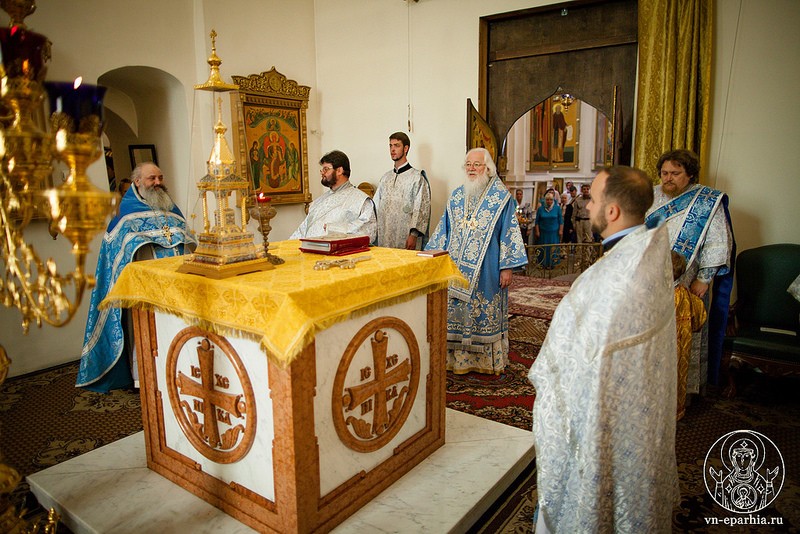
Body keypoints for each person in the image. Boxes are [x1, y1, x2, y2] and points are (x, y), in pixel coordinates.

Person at [528, 166, 679, 533]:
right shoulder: (645, 252)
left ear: (612, 211)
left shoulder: (612, 279)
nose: (589, 206)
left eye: (594, 200)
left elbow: (570, 359)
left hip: (601, 415)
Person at [77, 163, 196, 392]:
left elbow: (188, 242)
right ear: (138, 182)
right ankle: (145, 378)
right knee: (146, 333)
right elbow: (116, 257)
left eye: (160, 177)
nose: (158, 182)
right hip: (145, 290)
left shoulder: (172, 210)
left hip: (177, 286)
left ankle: (180, 369)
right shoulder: (125, 215)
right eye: (152, 178)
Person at [426, 148, 527, 375]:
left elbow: (509, 232)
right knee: (455, 313)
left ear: (487, 168)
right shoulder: (457, 196)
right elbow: (444, 229)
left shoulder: (501, 198)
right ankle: (455, 360)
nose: (471, 169)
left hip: (487, 268)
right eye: (468, 164)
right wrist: (433, 256)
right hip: (455, 269)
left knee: (482, 312)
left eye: (476, 164)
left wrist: (507, 267)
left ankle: (484, 362)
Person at [645, 149, 734, 390]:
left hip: (686, 280)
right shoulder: (651, 195)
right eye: (664, 173)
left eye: (675, 173)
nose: (668, 178)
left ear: (690, 174)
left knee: (681, 336)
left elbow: (717, 242)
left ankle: (682, 390)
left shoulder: (707, 200)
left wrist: (704, 279)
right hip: (648, 278)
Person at [289, 150, 377, 242]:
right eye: (322, 170)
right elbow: (303, 228)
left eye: (326, 169)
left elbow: (368, 231)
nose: (322, 173)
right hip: (309, 249)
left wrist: (333, 228)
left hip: (337, 250)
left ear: (339, 171)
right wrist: (288, 245)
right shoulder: (319, 200)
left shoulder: (361, 200)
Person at [373, 132, 431, 249]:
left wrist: (413, 235)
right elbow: (375, 206)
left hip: (406, 237)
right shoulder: (385, 178)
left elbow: (421, 208)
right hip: (385, 235)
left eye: (397, 145)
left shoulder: (417, 177)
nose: (392, 149)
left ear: (405, 148)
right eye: (390, 146)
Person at [671, 251, 707, 420]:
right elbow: (699, 318)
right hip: (681, 350)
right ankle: (676, 412)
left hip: (661, 349)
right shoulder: (686, 295)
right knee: (676, 379)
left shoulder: (658, 296)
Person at [533, 192, 562, 268]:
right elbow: (537, 221)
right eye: (547, 200)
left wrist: (560, 230)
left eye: (551, 200)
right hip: (543, 232)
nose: (549, 201)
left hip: (554, 233)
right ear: (545, 200)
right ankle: (543, 263)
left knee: (553, 248)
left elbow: (560, 221)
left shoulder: (557, 208)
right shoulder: (540, 209)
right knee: (543, 248)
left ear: (553, 200)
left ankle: (553, 263)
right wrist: (537, 231)